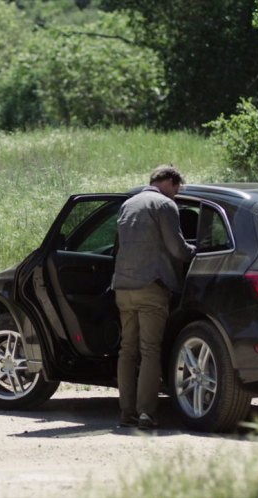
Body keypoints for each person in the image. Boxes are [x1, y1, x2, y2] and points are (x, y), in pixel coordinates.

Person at [112, 165, 196, 430]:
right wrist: (197, 249)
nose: (177, 194)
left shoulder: (128, 204)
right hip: (151, 287)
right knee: (149, 350)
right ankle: (146, 413)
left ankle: (126, 413)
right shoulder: (164, 205)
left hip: (123, 287)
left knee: (127, 350)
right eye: (177, 188)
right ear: (170, 182)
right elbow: (177, 248)